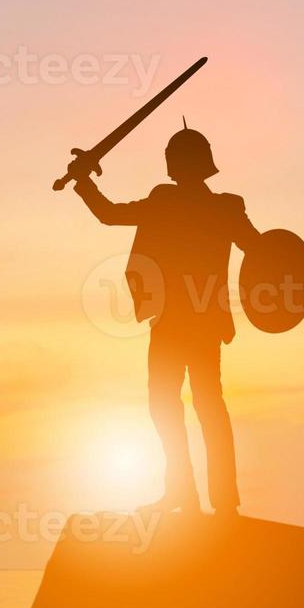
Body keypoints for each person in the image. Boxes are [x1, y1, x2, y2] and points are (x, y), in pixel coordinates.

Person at [68, 122, 260, 516]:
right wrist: (83, 181)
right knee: (199, 405)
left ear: (174, 165)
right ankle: (205, 499)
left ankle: (192, 497)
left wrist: (85, 180)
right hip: (195, 322)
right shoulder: (225, 207)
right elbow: (261, 250)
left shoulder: (172, 202)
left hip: (178, 323)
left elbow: (108, 214)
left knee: (181, 405)